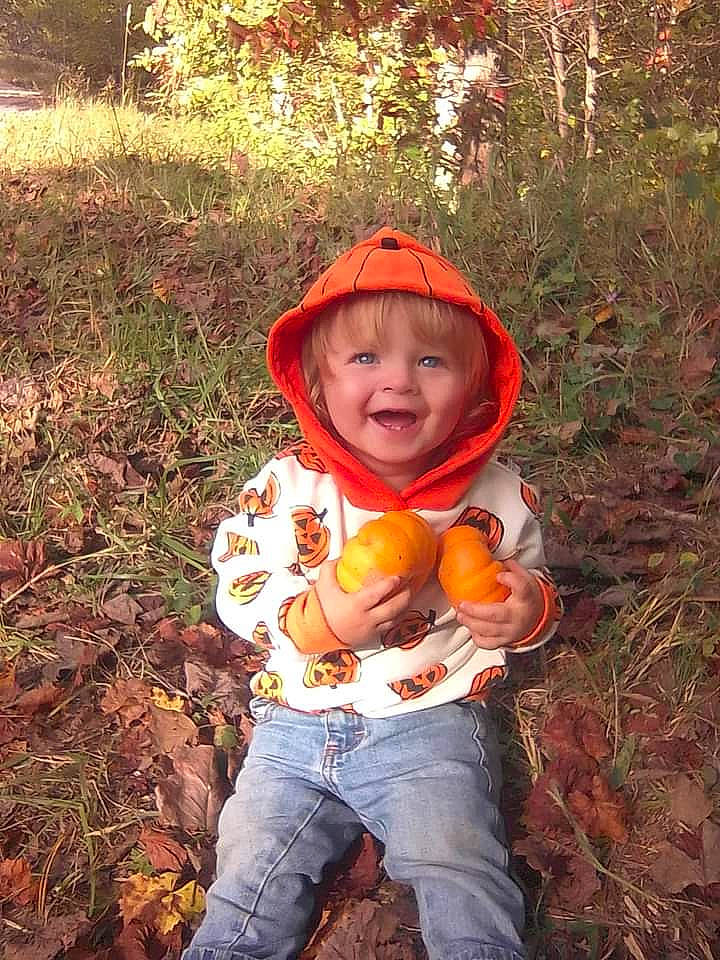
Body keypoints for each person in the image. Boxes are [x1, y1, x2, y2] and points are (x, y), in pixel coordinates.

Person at [184, 227, 562, 960]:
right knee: (250, 871)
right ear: (318, 384)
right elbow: (239, 573)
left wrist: (525, 612)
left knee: (458, 862)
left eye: (431, 360)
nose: (399, 381)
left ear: (475, 389)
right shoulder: (290, 485)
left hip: (430, 720)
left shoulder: (495, 496)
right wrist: (315, 618)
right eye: (365, 358)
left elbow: (533, 581)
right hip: (294, 721)